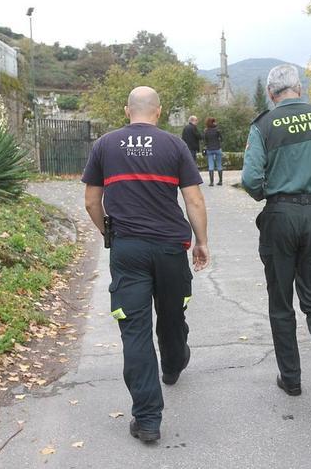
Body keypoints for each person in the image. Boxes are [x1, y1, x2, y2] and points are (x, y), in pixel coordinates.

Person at [82, 86, 210, 443]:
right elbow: (194, 200)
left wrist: (111, 233)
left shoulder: (105, 145)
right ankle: (173, 364)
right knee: (172, 315)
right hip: (170, 248)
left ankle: (148, 419)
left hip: (129, 250)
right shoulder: (174, 145)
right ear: (159, 111)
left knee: (134, 330)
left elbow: (92, 201)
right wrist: (201, 242)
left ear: (127, 110)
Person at [241, 64, 311, 413]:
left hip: (280, 217)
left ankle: (291, 379)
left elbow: (250, 179)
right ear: (300, 88)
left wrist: (269, 192)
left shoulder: (263, 125)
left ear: (270, 94)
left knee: (281, 303)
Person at [203, 117, 223, 186]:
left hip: (209, 149)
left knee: (211, 165)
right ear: (213, 122)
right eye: (214, 121)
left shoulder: (206, 131)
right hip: (217, 148)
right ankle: (220, 181)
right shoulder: (217, 130)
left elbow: (205, 141)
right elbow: (221, 139)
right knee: (219, 165)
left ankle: (211, 182)